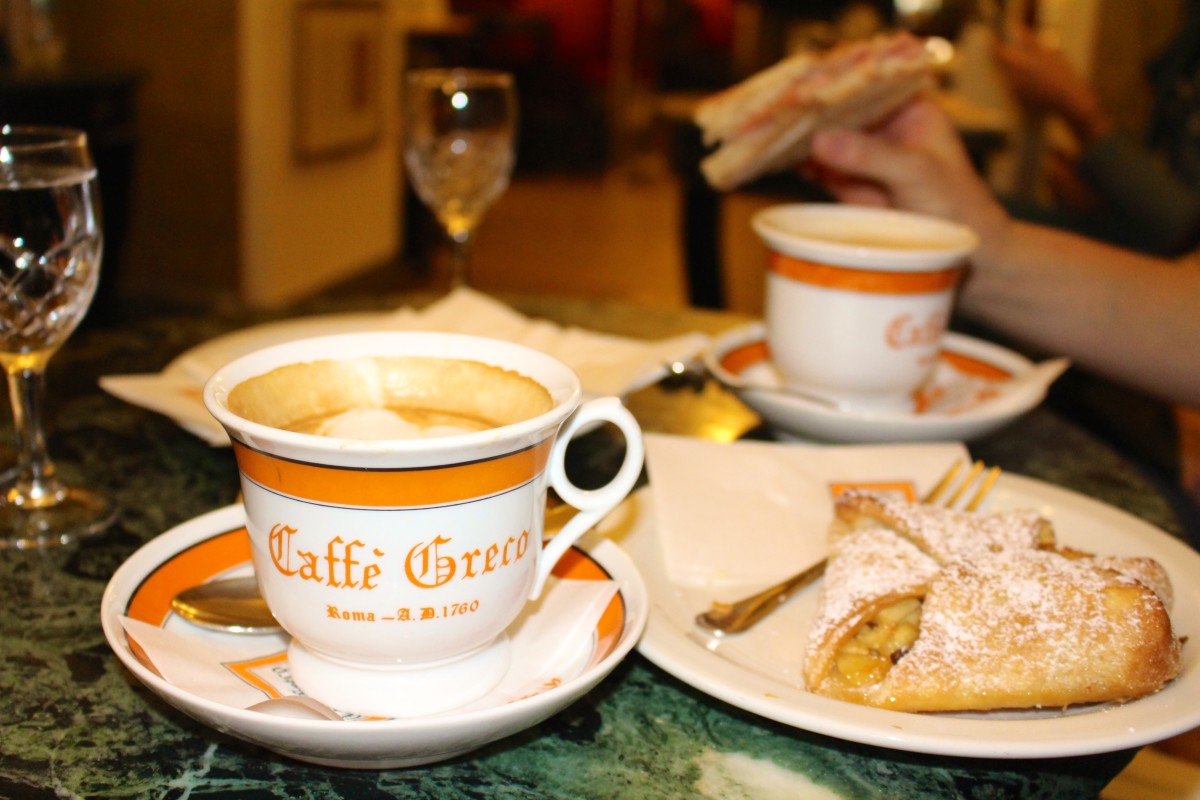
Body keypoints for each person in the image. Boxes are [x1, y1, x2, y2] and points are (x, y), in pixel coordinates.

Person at [989, 11, 1200, 257]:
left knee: (978, 227)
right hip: (1136, 235)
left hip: (1166, 267)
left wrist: (1077, 107)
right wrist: (1102, 197)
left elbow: (1185, 230)